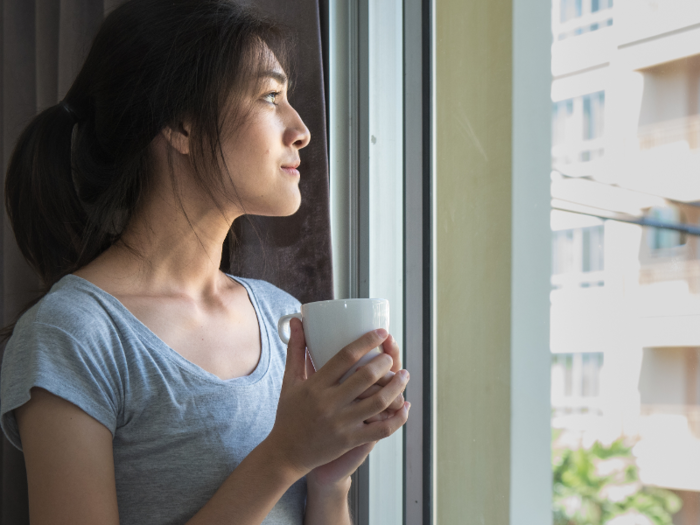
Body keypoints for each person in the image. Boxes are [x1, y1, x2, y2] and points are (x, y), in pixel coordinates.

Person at [0, 1, 410, 523]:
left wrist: (331, 479)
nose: (301, 129)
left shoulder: (284, 318)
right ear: (180, 124)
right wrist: (285, 457)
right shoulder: (72, 334)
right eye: (270, 96)